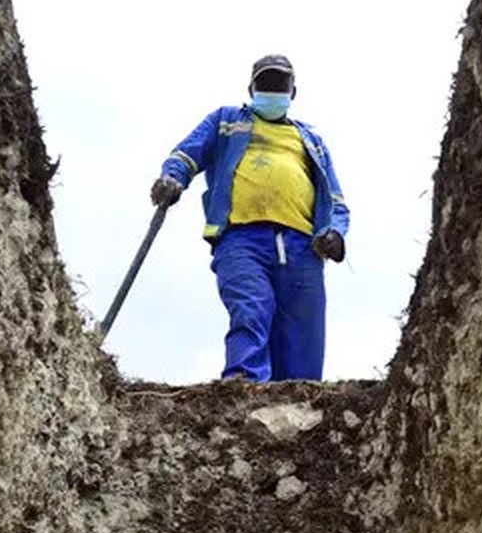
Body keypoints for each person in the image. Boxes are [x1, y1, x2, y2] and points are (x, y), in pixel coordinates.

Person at [150, 54, 349, 382]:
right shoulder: (226, 121)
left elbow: (336, 198)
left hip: (302, 245)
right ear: (251, 88)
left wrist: (336, 233)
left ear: (292, 92)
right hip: (242, 239)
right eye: (265, 84)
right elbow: (187, 152)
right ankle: (244, 388)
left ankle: (299, 395)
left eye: (279, 85)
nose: (272, 90)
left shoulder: (311, 141)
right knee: (251, 307)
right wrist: (173, 177)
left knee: (303, 325)